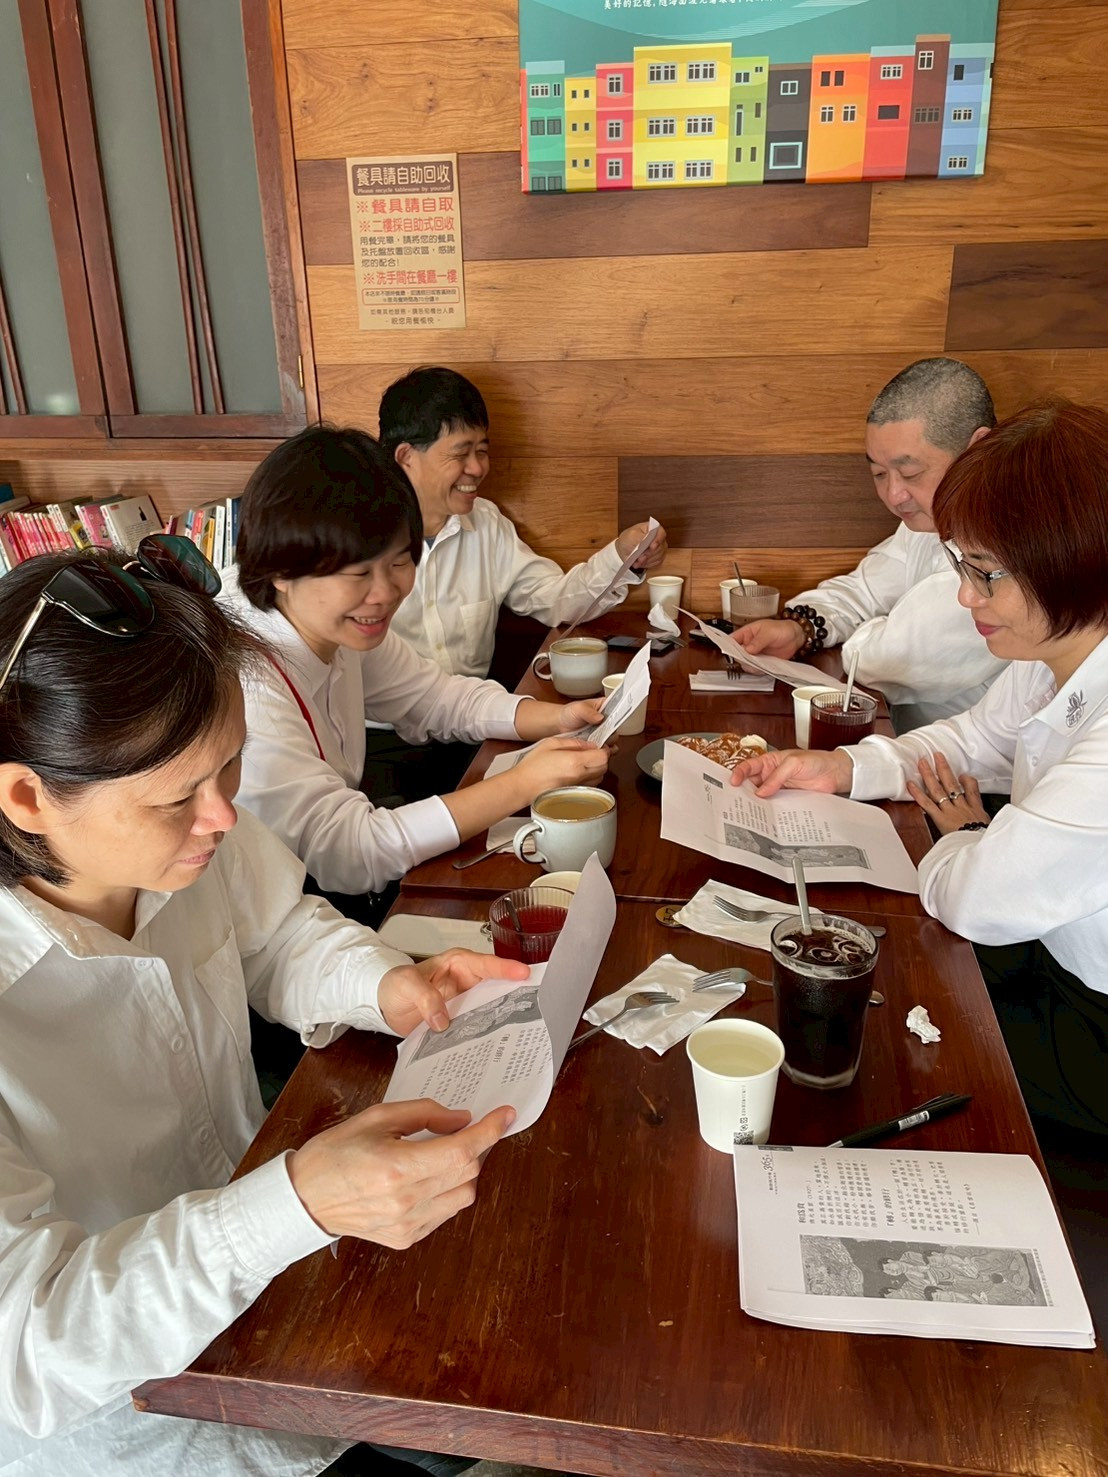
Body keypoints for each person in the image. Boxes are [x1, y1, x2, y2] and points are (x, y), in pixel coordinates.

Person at [0, 544, 529, 1476]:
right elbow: (27, 1349)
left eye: (233, 765)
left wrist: (384, 983)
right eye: (178, 797)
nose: (223, 816)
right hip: (146, 1426)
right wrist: (292, 1206)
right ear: (26, 796)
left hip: (293, 1299)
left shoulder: (191, 839)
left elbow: (276, 930)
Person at [730, 401, 1108, 1140]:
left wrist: (967, 835)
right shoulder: (1056, 652)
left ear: (1074, 562)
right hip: (1039, 947)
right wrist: (841, 767)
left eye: (985, 574)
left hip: (1089, 1024)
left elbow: (974, 897)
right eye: (962, 566)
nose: (966, 595)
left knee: (874, 1056)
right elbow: (973, 739)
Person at [224, 426, 611, 916]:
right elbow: (350, 852)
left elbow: (434, 697)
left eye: (400, 563)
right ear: (281, 569)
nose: (385, 593)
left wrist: (557, 719)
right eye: (359, 573)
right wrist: (522, 782)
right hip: (269, 921)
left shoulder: (333, 623)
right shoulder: (242, 680)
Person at [735, 358, 1007, 732]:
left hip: (973, 763)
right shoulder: (930, 519)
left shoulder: (1007, 543)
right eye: (879, 473)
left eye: (910, 473)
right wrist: (800, 628)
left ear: (979, 448)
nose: (894, 495)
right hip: (909, 743)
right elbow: (864, 590)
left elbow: (885, 661)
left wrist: (874, 630)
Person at [377, 366, 668, 679]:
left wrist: (622, 557)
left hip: (474, 708)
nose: (478, 468)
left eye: (482, 451)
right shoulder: (359, 538)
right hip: (383, 713)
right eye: (461, 454)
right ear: (406, 457)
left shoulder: (486, 524)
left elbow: (556, 601)